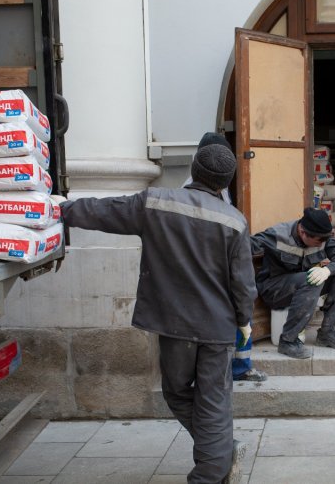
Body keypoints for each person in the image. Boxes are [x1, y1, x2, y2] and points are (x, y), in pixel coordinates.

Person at [57, 143, 255, 483]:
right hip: (217, 326)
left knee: (177, 393)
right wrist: (244, 320)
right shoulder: (235, 221)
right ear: (224, 184)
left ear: (193, 170)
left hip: (174, 325)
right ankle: (217, 455)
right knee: (214, 402)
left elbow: (103, 211)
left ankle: (213, 464)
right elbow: (243, 283)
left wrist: (63, 209)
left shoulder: (155, 202)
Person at [184, 132, 268, 383]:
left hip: (219, 271)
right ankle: (214, 373)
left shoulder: (221, 191)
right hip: (205, 274)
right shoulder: (189, 193)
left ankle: (240, 367)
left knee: (242, 313)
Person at [251, 208, 335, 359]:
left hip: (303, 287)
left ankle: (328, 333)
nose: (322, 244)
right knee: (310, 279)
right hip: (274, 289)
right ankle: (288, 341)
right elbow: (244, 246)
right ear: (302, 231)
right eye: (318, 241)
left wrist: (328, 270)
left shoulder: (321, 237)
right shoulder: (277, 234)